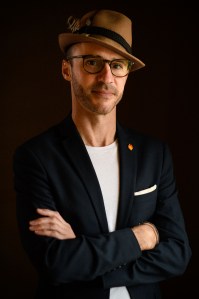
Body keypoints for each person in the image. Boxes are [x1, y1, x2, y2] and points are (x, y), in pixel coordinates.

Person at [13, 9, 192, 299]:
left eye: (118, 65)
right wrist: (142, 236)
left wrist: (84, 251)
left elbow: (177, 254)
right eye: (92, 62)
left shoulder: (154, 154)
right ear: (67, 69)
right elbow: (56, 264)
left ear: (126, 75)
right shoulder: (36, 157)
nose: (107, 77)